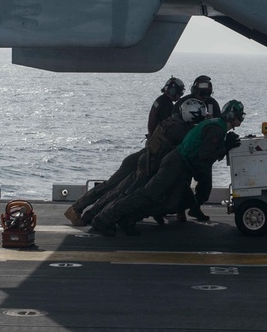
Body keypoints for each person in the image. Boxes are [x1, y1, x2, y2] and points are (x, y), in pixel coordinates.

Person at [90, 99, 245, 236]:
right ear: (232, 116)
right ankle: (104, 218)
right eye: (240, 115)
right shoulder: (216, 129)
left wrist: (224, 146)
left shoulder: (216, 126)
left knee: (175, 203)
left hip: (181, 165)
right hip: (176, 163)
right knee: (147, 194)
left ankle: (128, 218)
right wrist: (225, 147)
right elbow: (204, 156)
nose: (242, 118)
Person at [64, 76, 186, 226]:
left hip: (148, 150)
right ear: (173, 91)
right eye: (179, 93)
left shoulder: (160, 101)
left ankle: (87, 213)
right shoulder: (167, 106)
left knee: (115, 187)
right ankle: (77, 208)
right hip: (148, 155)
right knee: (112, 186)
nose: (179, 96)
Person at [79, 97, 207, 225]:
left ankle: (97, 216)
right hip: (151, 167)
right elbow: (193, 145)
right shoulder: (180, 130)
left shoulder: (171, 121)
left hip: (148, 162)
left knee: (122, 193)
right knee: (126, 196)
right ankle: (103, 218)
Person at [177, 75, 221, 221]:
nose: (204, 97)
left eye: (207, 94)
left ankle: (196, 207)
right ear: (194, 91)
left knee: (206, 183)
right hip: (187, 150)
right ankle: (180, 210)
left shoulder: (213, 104)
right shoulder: (183, 103)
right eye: (202, 93)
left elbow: (218, 126)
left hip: (203, 152)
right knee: (183, 182)